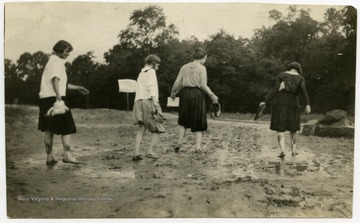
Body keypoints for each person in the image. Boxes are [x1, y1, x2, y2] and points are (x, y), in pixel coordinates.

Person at [38, 40, 89, 166]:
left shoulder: (51, 61)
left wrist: (77, 88)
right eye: (66, 51)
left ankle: (49, 157)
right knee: (67, 127)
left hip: (46, 98)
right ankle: (67, 155)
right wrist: (59, 96)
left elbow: (61, 83)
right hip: (55, 99)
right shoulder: (57, 62)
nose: (68, 54)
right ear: (59, 50)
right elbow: (55, 80)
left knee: (49, 128)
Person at [170, 47, 219, 153]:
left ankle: (179, 143)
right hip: (197, 95)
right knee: (199, 119)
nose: (205, 61)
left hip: (185, 94)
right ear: (202, 57)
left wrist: (173, 93)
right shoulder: (201, 68)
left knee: (183, 119)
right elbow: (203, 85)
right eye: (205, 58)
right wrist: (212, 95)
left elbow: (177, 83)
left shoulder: (184, 67)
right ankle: (197, 147)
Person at [260, 62, 311, 158]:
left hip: (280, 102)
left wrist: (266, 102)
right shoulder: (300, 78)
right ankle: (294, 150)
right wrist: (308, 104)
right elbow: (304, 92)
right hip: (293, 104)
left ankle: (282, 150)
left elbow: (275, 89)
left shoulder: (281, 75)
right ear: (298, 69)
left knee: (280, 128)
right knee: (293, 128)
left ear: (289, 68)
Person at [132, 54, 164, 161]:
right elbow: (151, 88)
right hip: (148, 101)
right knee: (157, 128)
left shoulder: (141, 73)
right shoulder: (151, 72)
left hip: (138, 102)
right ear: (153, 64)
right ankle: (149, 151)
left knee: (141, 128)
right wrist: (155, 102)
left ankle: (136, 152)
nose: (158, 67)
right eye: (157, 65)